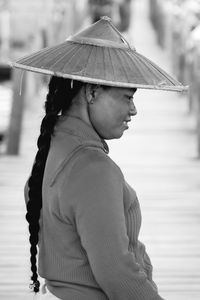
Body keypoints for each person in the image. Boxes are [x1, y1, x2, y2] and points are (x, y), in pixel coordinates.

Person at [13, 17, 186, 300]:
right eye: (127, 97)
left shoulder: (54, 147)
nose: (133, 110)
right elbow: (118, 274)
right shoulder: (92, 169)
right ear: (92, 92)